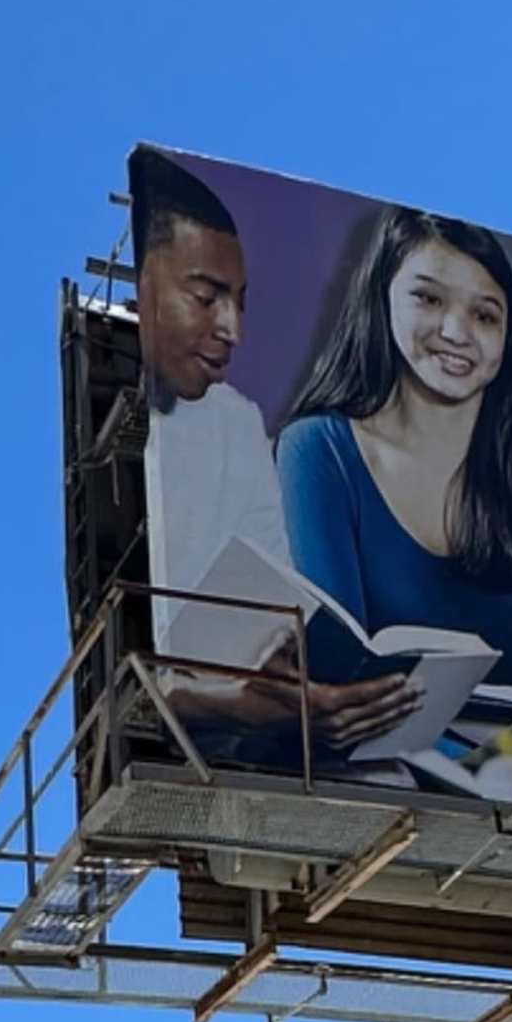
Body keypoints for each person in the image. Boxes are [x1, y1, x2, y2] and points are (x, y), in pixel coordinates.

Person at [127, 150, 409, 765]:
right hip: (181, 745)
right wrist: (220, 698)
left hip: (242, 737)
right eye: (206, 297)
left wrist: (283, 663)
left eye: (240, 302)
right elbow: (126, 685)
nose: (234, 328)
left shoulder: (236, 421)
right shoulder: (115, 436)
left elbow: (277, 586)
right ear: (142, 286)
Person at [274, 209, 512, 701]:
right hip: (363, 767)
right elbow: (334, 664)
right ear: (380, 296)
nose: (456, 331)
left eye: (485, 315)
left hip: (504, 772)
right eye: (428, 298)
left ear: (506, 339)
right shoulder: (319, 449)